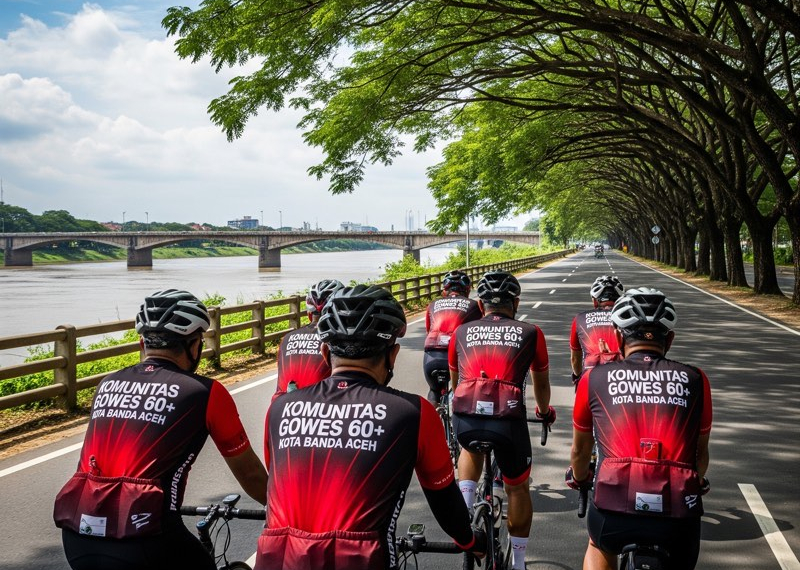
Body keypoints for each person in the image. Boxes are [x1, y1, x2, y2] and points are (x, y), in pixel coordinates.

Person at [255, 284, 485, 570]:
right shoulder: (414, 413)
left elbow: (275, 484)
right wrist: (470, 541)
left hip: (275, 560)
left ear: (325, 353)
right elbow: (444, 501)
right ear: (393, 355)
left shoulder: (279, 409)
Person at [54, 289, 268, 570]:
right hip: (147, 538)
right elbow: (251, 474)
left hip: (79, 538)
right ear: (194, 346)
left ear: (142, 343)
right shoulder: (206, 392)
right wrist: (292, 512)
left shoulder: (107, 383)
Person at [567, 287, 712, 570]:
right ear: (669, 338)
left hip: (613, 511)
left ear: (619, 337)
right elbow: (699, 454)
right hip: (678, 520)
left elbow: (581, 449)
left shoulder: (593, 378)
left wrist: (580, 478)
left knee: (598, 546)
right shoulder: (696, 379)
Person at [448, 270, 555, 570]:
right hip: (508, 422)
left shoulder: (461, 332)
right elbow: (541, 386)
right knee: (518, 488)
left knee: (469, 448)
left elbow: (456, 382)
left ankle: (467, 511)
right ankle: (519, 563)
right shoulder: (531, 333)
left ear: (480, 306)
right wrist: (544, 412)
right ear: (516, 303)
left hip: (467, 417)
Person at [274, 278, 343, 398]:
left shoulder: (286, 339)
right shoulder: (338, 339)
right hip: (320, 408)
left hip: (279, 409)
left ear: (309, 313)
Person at [422, 270, 482, 403]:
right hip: (459, 355)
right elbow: (478, 335)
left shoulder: (432, 305)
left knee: (434, 390)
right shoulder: (474, 305)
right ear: (467, 291)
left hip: (432, 355)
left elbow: (428, 330)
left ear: (444, 292)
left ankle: (434, 418)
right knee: (464, 392)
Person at [569, 275, 624, 386]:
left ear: (595, 302)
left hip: (592, 376)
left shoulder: (580, 318)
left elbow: (575, 359)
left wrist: (577, 376)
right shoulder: (626, 318)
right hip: (622, 377)